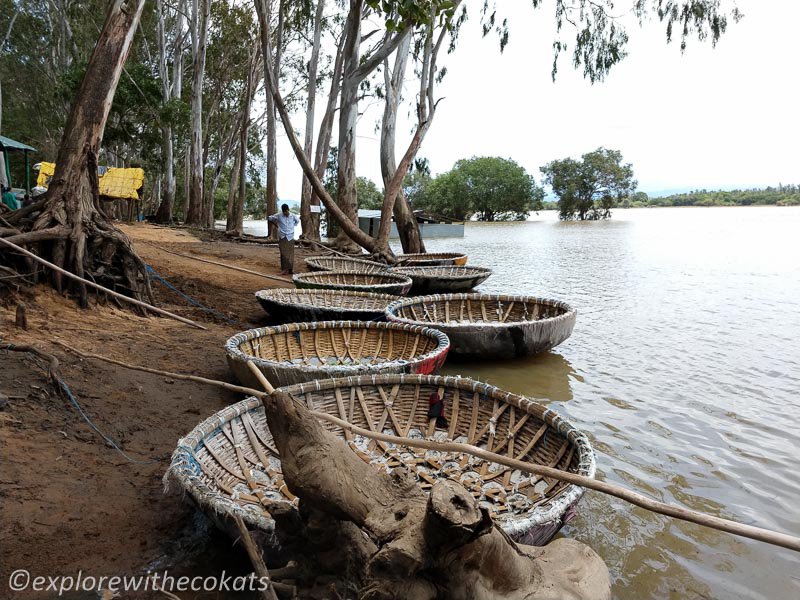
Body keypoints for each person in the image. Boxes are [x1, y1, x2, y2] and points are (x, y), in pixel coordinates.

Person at [268, 203, 300, 275]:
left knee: (290, 253)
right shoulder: (279, 215)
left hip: (290, 236)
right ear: (282, 211)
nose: (286, 213)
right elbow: (270, 218)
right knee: (283, 253)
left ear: (288, 210)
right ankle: (284, 269)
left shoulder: (293, 216)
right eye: (284, 212)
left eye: (286, 212)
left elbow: (297, 221)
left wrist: (293, 226)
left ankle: (290, 269)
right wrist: (277, 225)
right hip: (282, 236)